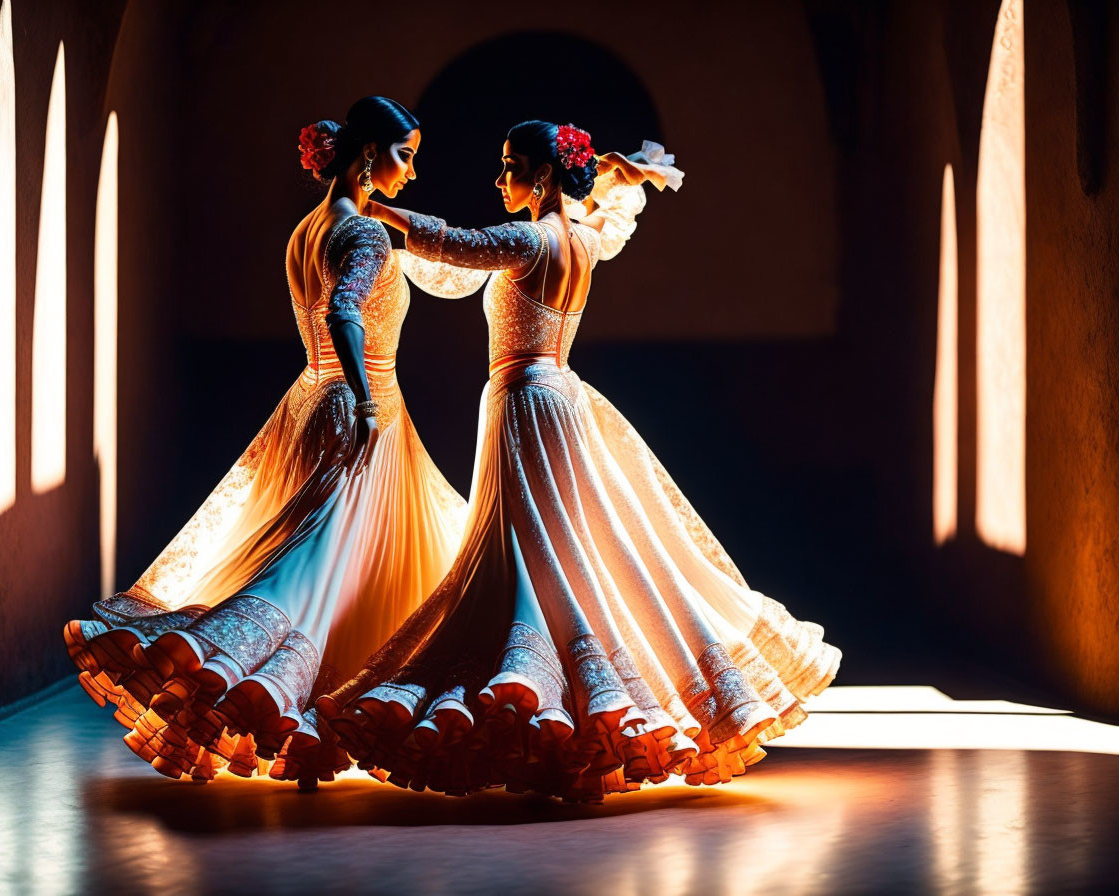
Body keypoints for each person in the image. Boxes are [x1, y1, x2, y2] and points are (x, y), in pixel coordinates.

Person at [316, 120, 841, 802]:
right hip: (561, 396)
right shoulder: (585, 238)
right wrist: (620, 176)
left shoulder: (531, 239)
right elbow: (595, 216)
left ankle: (548, 708)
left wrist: (377, 207)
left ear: (540, 175)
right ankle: (563, 712)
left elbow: (455, 244)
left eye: (509, 167)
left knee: (534, 550)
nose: (499, 180)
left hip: (524, 402)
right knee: (565, 547)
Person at [64, 97, 469, 787]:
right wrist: (368, 401)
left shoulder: (309, 229)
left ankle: (302, 720)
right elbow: (344, 313)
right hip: (358, 401)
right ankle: (260, 686)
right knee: (317, 566)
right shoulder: (365, 236)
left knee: (336, 564)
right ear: (369, 155)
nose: (412, 170)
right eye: (405, 154)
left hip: (310, 396)